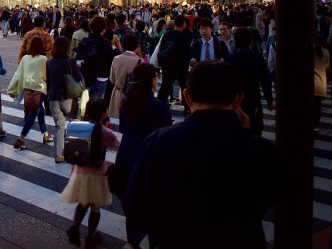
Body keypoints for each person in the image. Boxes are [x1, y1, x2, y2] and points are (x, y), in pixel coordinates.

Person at [122, 60, 282, 248]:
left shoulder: (161, 141)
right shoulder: (261, 151)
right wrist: (245, 134)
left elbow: (135, 201)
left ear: (188, 97)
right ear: (238, 99)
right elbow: (271, 195)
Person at [112, 63, 171, 248]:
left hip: (127, 157)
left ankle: (133, 241)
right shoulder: (161, 108)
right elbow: (164, 136)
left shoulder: (126, 103)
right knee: (154, 208)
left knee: (132, 205)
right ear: (152, 81)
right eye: (156, 77)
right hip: (151, 161)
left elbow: (123, 129)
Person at [61, 97, 120, 249]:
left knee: (83, 202)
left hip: (80, 173)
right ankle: (90, 237)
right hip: (97, 174)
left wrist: (73, 171)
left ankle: (74, 227)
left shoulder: (80, 128)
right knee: (95, 207)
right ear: (103, 113)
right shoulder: (106, 132)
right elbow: (119, 147)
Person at [226, 27, 273, 136]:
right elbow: (265, 81)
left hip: (236, 99)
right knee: (254, 129)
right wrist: (269, 100)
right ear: (251, 42)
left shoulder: (230, 60)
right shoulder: (258, 59)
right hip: (253, 97)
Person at [8, 36, 52, 150]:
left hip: (28, 89)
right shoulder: (43, 59)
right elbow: (46, 75)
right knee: (33, 113)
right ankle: (20, 139)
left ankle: (45, 134)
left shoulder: (25, 58)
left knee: (39, 110)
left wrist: (13, 89)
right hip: (39, 89)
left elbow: (18, 74)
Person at [46, 36, 83, 163]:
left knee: (58, 126)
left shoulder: (49, 62)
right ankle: (68, 150)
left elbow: (48, 82)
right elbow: (78, 78)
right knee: (71, 121)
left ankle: (59, 154)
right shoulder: (71, 61)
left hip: (53, 97)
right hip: (67, 97)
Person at [155, 15, 192, 109]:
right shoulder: (184, 37)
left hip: (167, 64)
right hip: (180, 65)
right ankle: (187, 107)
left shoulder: (167, 35)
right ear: (184, 24)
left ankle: (159, 106)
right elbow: (187, 52)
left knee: (165, 86)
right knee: (184, 86)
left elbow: (161, 49)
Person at [74, 16, 115, 99]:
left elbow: (78, 59)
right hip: (102, 77)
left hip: (87, 77)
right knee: (97, 104)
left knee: (85, 103)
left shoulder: (84, 42)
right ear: (103, 30)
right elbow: (110, 61)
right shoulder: (106, 43)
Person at [107, 34, 143, 118]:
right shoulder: (140, 62)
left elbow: (112, 80)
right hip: (133, 97)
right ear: (137, 46)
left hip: (118, 93)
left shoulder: (116, 59)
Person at [314, 32, 330, 132]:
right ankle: (314, 125)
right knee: (317, 107)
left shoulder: (310, 49)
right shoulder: (325, 52)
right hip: (321, 82)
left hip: (310, 83)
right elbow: (327, 67)